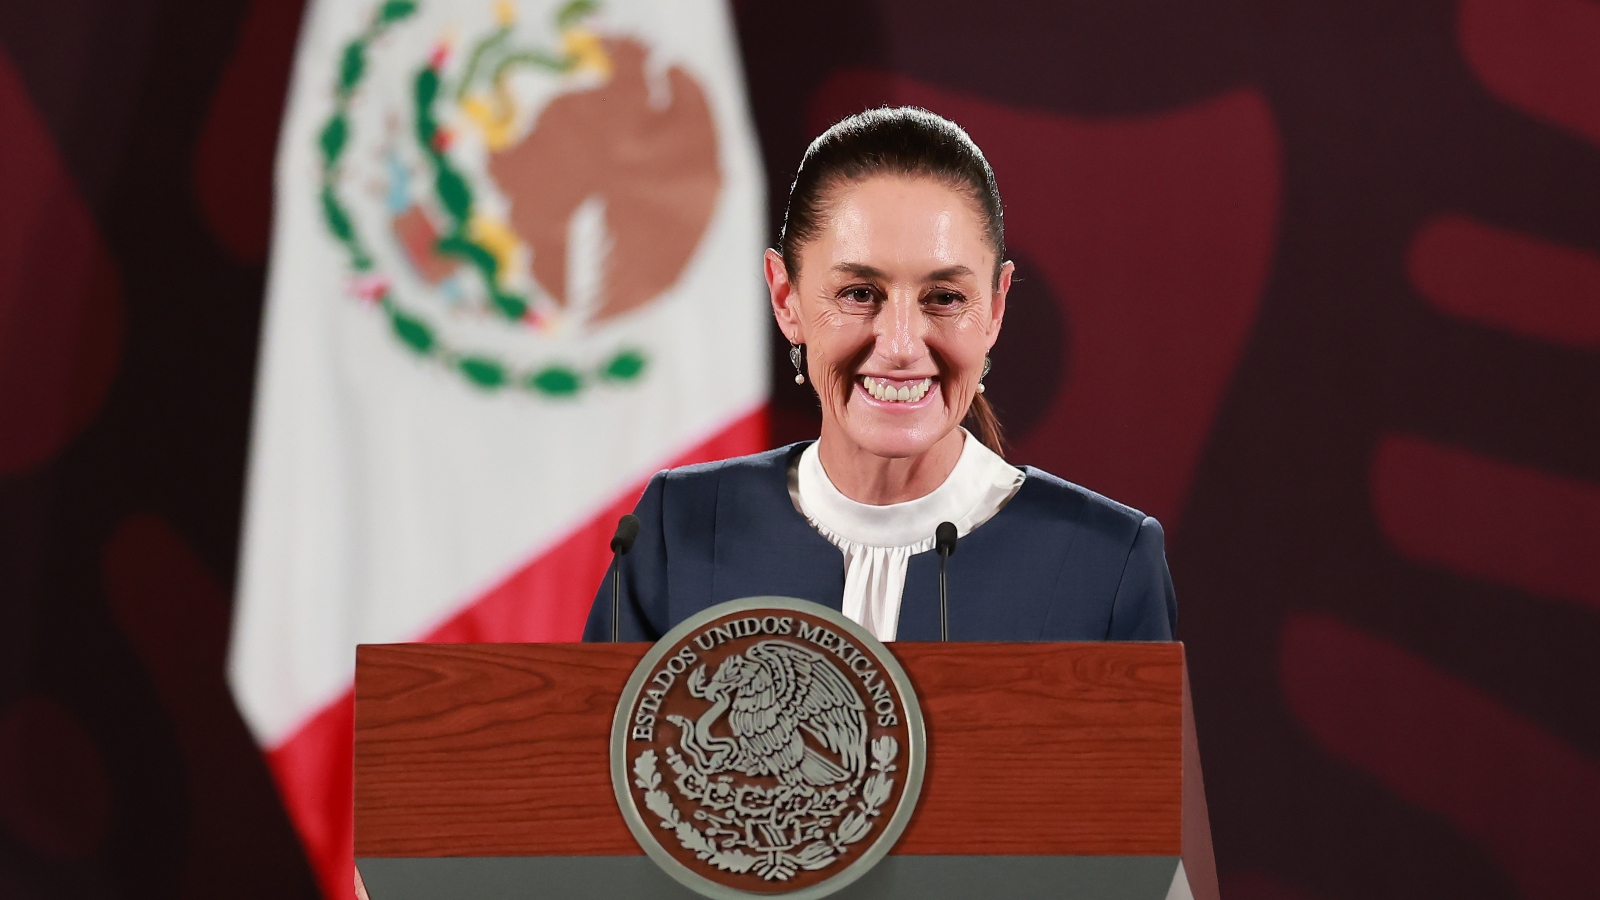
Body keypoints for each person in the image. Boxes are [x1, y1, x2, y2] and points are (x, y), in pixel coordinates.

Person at [584, 107, 1175, 643]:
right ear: (786, 296)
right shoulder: (677, 532)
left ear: (995, 309)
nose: (898, 345)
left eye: (944, 297)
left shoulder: (1107, 564)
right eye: (859, 293)